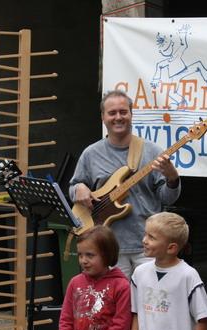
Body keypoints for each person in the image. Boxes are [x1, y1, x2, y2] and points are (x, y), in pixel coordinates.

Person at [69, 89, 181, 278]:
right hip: (108, 246)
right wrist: (79, 188)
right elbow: (74, 187)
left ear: (131, 114)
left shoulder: (152, 151)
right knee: (115, 304)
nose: (118, 117)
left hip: (147, 244)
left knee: (149, 302)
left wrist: (172, 178)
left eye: (123, 112)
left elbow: (166, 198)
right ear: (103, 117)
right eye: (112, 113)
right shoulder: (91, 153)